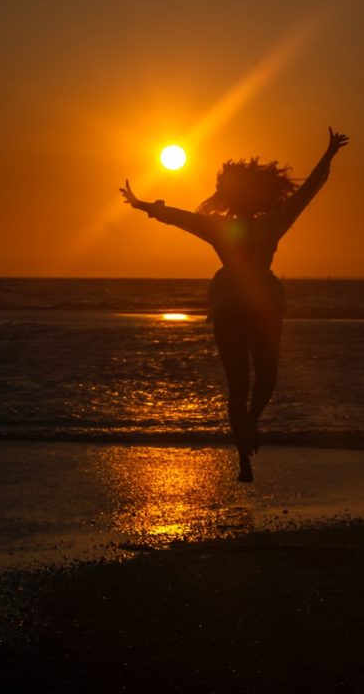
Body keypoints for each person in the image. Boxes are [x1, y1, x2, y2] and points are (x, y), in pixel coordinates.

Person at [120, 127, 349, 482]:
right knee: (251, 380)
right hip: (253, 306)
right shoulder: (249, 224)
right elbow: (179, 216)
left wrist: (328, 156)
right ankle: (247, 442)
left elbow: (305, 192)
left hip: (242, 305)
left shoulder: (243, 224)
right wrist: (141, 205)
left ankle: (246, 440)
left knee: (251, 381)